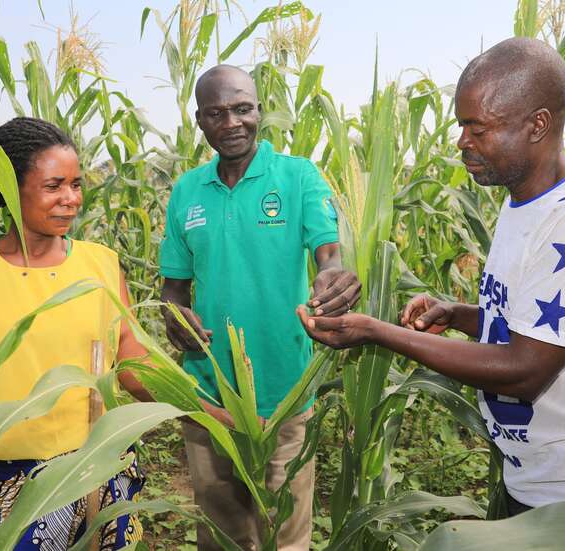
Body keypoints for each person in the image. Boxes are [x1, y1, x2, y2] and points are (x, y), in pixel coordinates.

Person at [297, 38, 565, 516]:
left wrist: (376, 332)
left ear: (537, 124)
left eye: (478, 128)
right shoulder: (525, 200)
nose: (461, 142)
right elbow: (544, 324)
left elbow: (526, 368)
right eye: (461, 126)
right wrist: (458, 314)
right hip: (533, 476)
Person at [159, 64, 360, 550]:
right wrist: (173, 315)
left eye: (242, 109)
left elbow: (328, 254)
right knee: (222, 537)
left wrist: (332, 278)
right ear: (200, 121)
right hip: (209, 393)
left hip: (285, 391)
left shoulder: (297, 176)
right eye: (216, 113)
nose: (232, 123)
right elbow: (173, 288)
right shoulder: (187, 190)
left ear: (259, 111)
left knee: (286, 536)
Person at [0, 117, 153, 551]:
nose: (71, 199)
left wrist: (199, 407)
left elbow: (131, 360)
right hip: (7, 481)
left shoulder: (101, 264)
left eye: (76, 185)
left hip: (98, 469)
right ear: (12, 187)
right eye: (54, 186)